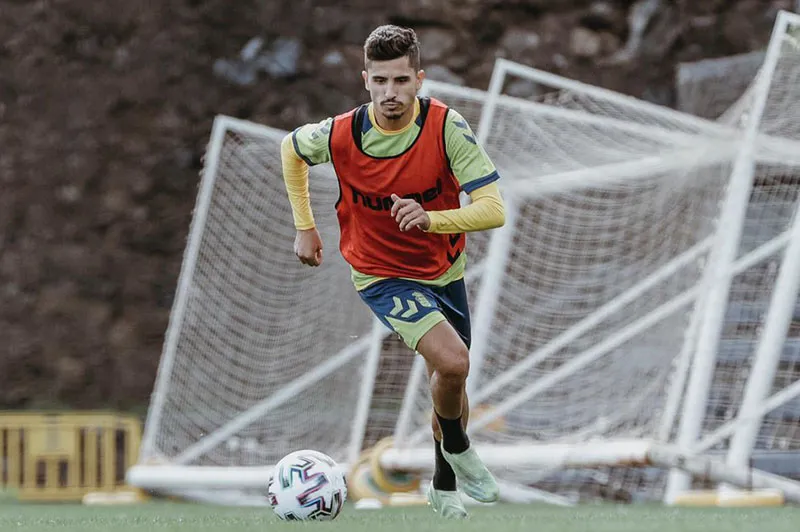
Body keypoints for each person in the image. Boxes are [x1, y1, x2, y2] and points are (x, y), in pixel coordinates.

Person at [280, 24, 505, 518]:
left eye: (401, 81)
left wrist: (432, 219)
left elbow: (493, 209)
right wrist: (305, 227)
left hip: (444, 270)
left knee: (451, 383)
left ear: (419, 80)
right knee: (453, 362)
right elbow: (291, 149)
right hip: (381, 274)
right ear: (365, 80)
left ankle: (444, 486)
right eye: (380, 81)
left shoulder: (447, 128)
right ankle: (460, 450)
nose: (390, 93)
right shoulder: (340, 133)